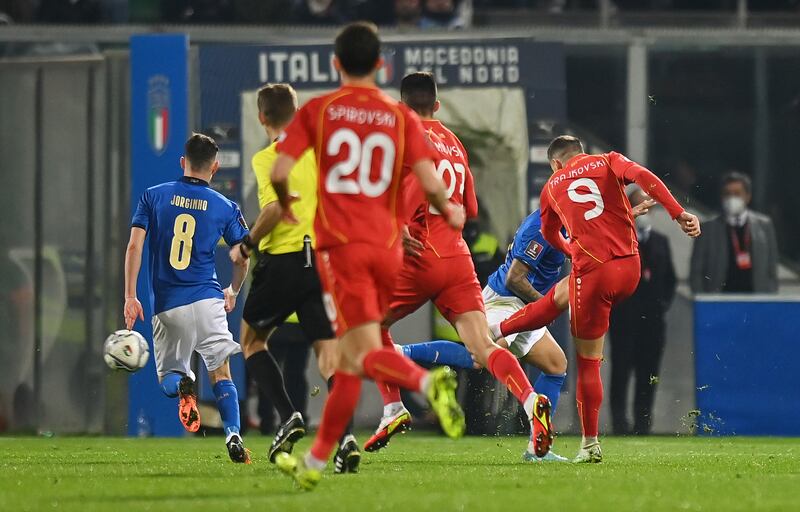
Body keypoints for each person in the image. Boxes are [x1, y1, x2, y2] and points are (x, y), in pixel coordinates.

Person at [269, 23, 467, 490]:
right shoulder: (401, 118)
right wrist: (451, 214)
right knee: (354, 361)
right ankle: (314, 466)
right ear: (381, 65)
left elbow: (281, 168)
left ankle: (424, 383)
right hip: (389, 251)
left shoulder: (320, 109)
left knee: (360, 352)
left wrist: (287, 199)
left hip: (343, 249)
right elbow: (433, 183)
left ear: (335, 63)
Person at [363, 71, 556, 462]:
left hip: (419, 252)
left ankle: (393, 408)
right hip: (456, 254)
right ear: (437, 105)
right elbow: (469, 208)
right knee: (482, 346)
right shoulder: (454, 143)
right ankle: (530, 399)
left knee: (369, 327)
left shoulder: (400, 133)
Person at [489, 135, 700, 463]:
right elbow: (645, 177)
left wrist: (570, 248)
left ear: (556, 163)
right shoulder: (607, 160)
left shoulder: (551, 186)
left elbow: (548, 233)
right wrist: (677, 213)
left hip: (594, 275)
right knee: (562, 292)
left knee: (588, 362)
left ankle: (590, 444)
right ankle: (501, 328)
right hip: (629, 267)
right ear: (581, 153)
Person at [229, 83, 361, 473]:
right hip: (321, 264)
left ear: (261, 118)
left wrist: (246, 243)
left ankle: (288, 415)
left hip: (283, 261)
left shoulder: (269, 157)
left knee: (251, 342)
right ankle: (348, 438)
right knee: (329, 356)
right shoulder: (320, 155)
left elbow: (272, 210)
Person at [123, 133, 251, 463]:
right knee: (222, 375)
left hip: (168, 307)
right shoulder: (226, 206)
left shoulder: (153, 196)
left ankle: (184, 388)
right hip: (209, 301)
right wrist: (233, 290)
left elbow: (135, 246)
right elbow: (242, 257)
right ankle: (233, 434)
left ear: (183, 162)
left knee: (170, 379)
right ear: (216, 167)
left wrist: (130, 295)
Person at [609, 188, 677, 435]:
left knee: (648, 373)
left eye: (648, 206)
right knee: (621, 372)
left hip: (653, 321)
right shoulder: (618, 238)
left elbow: (670, 280)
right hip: (624, 319)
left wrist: (659, 306)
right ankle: (619, 423)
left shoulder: (661, 241)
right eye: (639, 205)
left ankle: (643, 422)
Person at [690, 171, 778, 294]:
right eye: (727, 194)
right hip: (718, 301)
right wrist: (703, 301)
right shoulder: (708, 228)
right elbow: (696, 272)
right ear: (721, 197)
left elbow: (771, 269)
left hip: (756, 300)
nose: (732, 198)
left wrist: (769, 299)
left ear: (747, 196)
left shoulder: (764, 225)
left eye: (737, 194)